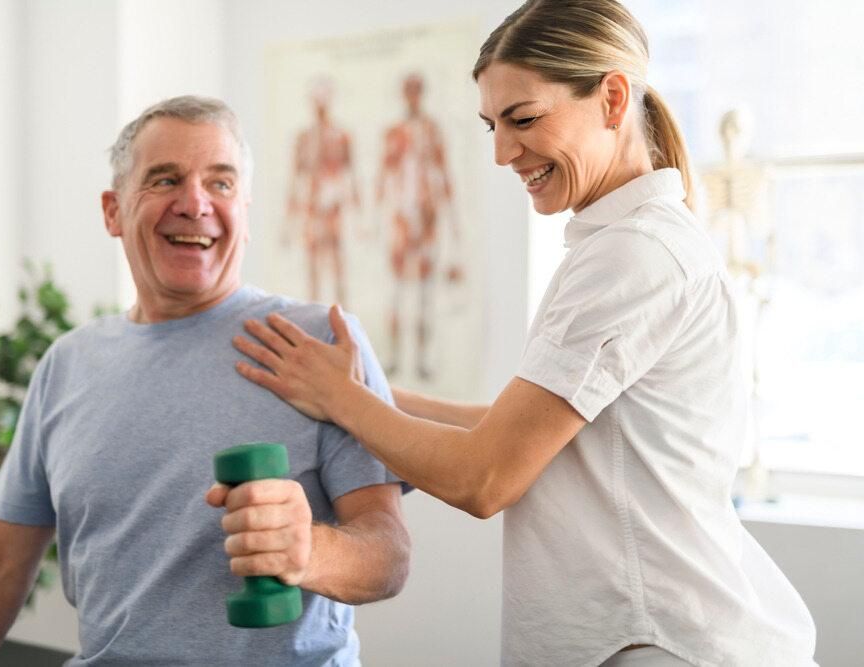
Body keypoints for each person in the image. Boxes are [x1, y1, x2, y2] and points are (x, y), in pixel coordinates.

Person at [231, 1, 817, 665]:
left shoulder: (634, 256)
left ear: (613, 97)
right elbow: (528, 433)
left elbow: (487, 476)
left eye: (524, 119)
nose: (504, 152)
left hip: (656, 641)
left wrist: (343, 399)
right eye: (492, 125)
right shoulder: (618, 245)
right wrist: (368, 388)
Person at [0, 95, 409, 666]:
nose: (195, 203)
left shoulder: (319, 341)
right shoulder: (68, 363)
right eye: (165, 179)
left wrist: (310, 552)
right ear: (113, 212)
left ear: (244, 212)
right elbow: (1, 562)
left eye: (220, 184)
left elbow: (388, 555)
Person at [375, 73, 462, 380]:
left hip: (427, 218)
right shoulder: (394, 133)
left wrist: (453, 223)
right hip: (401, 218)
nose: (412, 95)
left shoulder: (431, 130)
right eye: (407, 90)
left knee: (425, 291)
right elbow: (383, 176)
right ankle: (394, 357)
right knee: (398, 290)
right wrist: (377, 220)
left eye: (416, 90)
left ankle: (423, 359)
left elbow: (444, 173)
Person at [286, 76, 360, 305]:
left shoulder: (340, 136)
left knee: (337, 264)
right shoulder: (304, 138)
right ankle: (315, 315)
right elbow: (295, 178)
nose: (320, 104)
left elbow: (350, 175)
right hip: (311, 207)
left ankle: (343, 315)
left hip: (333, 207)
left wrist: (358, 215)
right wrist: (289, 219)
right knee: (312, 267)